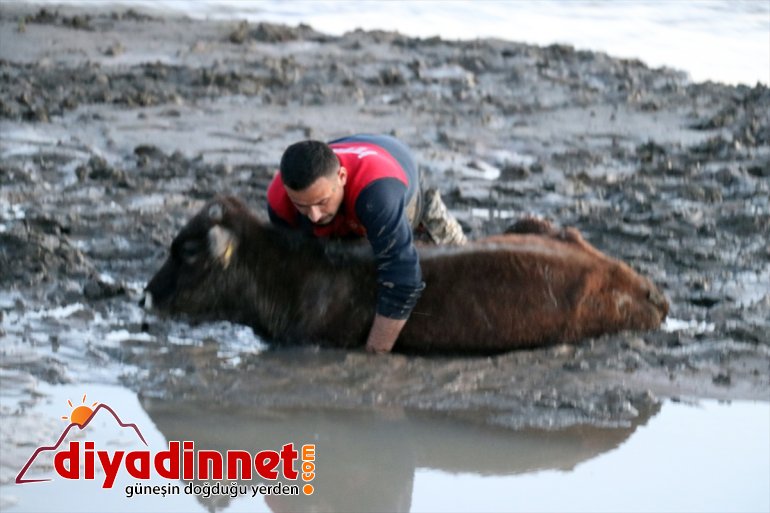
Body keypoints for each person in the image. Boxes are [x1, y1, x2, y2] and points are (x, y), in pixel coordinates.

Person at [267, 134, 466, 354]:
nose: (313, 215)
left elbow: (404, 280)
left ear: (341, 176)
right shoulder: (279, 202)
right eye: (302, 205)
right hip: (354, 200)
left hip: (399, 187)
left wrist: (374, 354)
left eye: (321, 202)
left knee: (463, 265)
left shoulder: (378, 196)